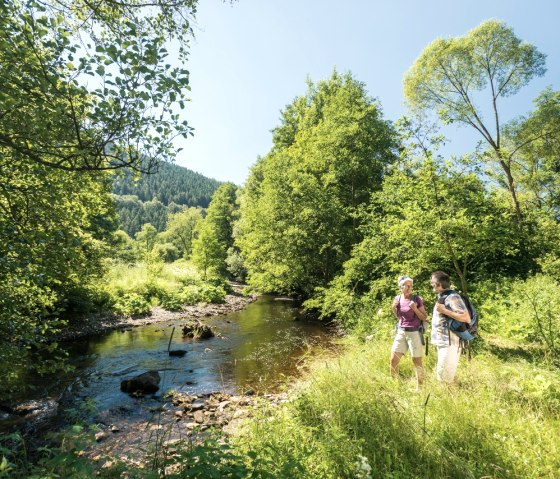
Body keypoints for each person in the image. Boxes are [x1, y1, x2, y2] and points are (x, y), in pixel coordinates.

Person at [430, 271, 471, 383]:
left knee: (444, 377)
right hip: (443, 342)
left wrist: (444, 311)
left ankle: (446, 398)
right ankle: (447, 397)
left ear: (438, 284)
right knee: (444, 375)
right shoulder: (443, 296)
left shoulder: (452, 297)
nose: (431, 284)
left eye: (432, 282)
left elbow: (466, 317)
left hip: (450, 343)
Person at [390, 275, 428, 389]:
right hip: (401, 331)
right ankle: (395, 385)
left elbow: (424, 317)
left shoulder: (417, 299)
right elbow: (398, 317)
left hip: (414, 332)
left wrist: (415, 309)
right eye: (406, 285)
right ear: (400, 287)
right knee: (393, 360)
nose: (409, 287)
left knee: (416, 361)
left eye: (410, 285)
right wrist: (393, 308)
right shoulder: (397, 299)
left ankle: (420, 388)